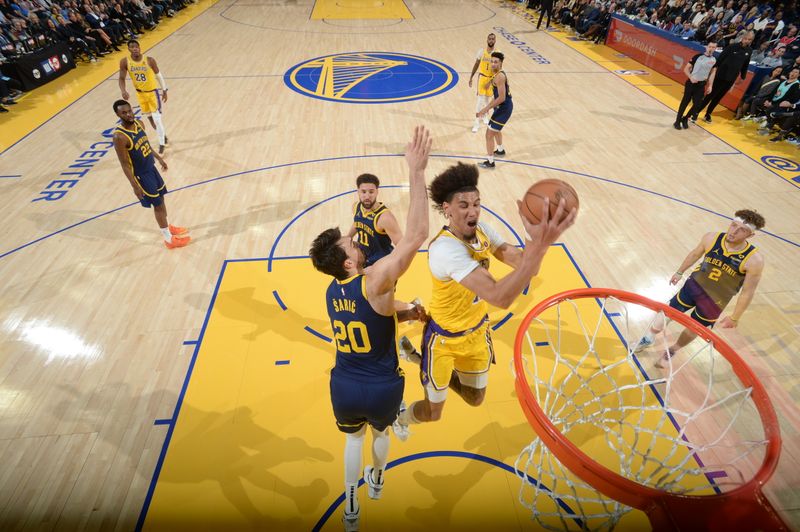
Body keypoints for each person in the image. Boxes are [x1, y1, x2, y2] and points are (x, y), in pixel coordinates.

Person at [308, 126, 432, 532]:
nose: (354, 241)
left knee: (352, 441)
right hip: (382, 384)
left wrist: (408, 312)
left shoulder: (331, 291)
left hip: (343, 384)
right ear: (348, 263)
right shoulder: (374, 279)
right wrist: (416, 172)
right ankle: (377, 479)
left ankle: (350, 506)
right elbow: (414, 237)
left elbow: (376, 314)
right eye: (349, 245)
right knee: (380, 436)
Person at [396, 162, 576, 429]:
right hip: (443, 339)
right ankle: (401, 418)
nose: (474, 211)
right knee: (434, 413)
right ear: (447, 209)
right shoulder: (445, 249)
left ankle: (417, 358)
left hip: (477, 333)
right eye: (464, 205)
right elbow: (499, 297)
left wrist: (537, 240)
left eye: (477, 203)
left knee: (475, 398)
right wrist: (540, 247)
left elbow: (525, 264)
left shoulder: (483, 231)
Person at [636, 210, 765, 367]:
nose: (734, 231)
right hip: (694, 286)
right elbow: (695, 254)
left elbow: (747, 292)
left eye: (742, 230)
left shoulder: (754, 260)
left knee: (693, 329)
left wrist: (735, 317)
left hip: (715, 301)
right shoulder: (712, 237)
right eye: (733, 225)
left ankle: (672, 351)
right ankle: (649, 337)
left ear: (750, 235)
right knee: (668, 311)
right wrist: (679, 271)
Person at [112, 99, 190, 249]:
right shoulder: (119, 137)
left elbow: (146, 145)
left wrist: (159, 159)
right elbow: (125, 164)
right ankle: (168, 239)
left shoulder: (140, 124)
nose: (128, 114)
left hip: (151, 168)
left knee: (161, 199)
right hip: (141, 175)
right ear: (117, 114)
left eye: (129, 111)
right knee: (158, 205)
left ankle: (167, 227)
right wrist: (134, 186)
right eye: (124, 113)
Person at [683, 30, 753, 123]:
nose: (747, 41)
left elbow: (745, 64)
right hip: (720, 75)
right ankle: (696, 112)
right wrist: (712, 71)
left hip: (731, 78)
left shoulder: (749, 51)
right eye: (746, 39)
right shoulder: (732, 47)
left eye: (749, 39)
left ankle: (708, 114)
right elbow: (719, 60)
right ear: (742, 38)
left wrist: (743, 77)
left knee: (718, 98)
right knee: (709, 96)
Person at [118, 39, 169, 154]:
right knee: (151, 120)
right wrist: (123, 90)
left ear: (139, 48)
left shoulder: (149, 60)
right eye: (132, 47)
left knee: (157, 120)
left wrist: (164, 90)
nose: (135, 48)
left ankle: (161, 143)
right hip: (140, 94)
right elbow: (121, 78)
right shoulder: (125, 62)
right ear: (129, 49)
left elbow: (159, 75)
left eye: (136, 46)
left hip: (152, 93)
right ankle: (163, 136)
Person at [346, 174, 402, 267]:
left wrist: (390, 266)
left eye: (371, 192)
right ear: (358, 192)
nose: (367, 196)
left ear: (377, 192)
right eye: (363, 192)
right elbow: (358, 223)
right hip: (363, 260)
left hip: (380, 266)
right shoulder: (356, 207)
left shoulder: (385, 217)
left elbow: (402, 246)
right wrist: (348, 237)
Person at [477, 52, 512, 169]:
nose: (492, 64)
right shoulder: (496, 75)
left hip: (504, 108)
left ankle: (490, 162)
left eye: (495, 62)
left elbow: (502, 98)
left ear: (501, 63)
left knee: (489, 134)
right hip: (502, 107)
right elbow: (497, 96)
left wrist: (485, 109)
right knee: (495, 130)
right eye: (491, 61)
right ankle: (500, 150)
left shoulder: (500, 76)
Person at [674, 40, 717, 129]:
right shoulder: (698, 57)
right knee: (685, 102)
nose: (711, 49)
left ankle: (685, 118)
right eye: (710, 46)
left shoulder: (714, 60)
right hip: (691, 83)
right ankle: (677, 121)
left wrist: (710, 85)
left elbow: (713, 73)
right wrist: (691, 77)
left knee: (697, 105)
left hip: (701, 85)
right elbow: (686, 69)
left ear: (715, 49)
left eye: (713, 47)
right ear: (706, 47)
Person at [468, 33, 496, 133]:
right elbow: (476, 64)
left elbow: (498, 70)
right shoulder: (481, 52)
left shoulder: (497, 53)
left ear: (495, 41)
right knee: (480, 102)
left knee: (487, 101)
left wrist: (492, 81)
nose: (491, 41)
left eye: (493, 39)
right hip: (482, 78)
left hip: (491, 80)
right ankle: (476, 123)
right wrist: (471, 77)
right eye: (490, 39)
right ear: (487, 40)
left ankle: (484, 116)